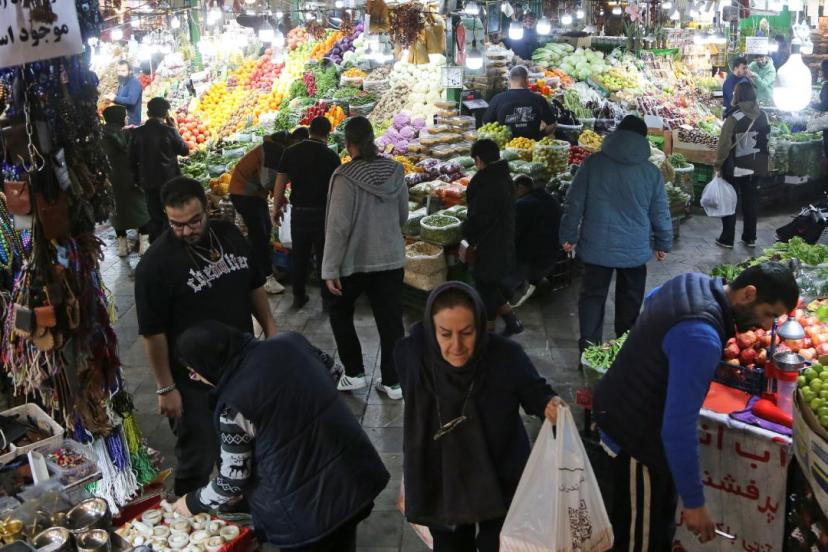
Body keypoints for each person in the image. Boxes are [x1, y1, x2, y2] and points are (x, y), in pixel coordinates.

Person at [593, 262, 798, 549]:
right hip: (636, 439)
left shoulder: (691, 281)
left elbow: (652, 300)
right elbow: (677, 429)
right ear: (749, 293)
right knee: (640, 540)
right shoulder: (702, 337)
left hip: (616, 403)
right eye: (769, 314)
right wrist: (694, 502)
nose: (766, 326)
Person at [172, 321, 389, 552]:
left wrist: (191, 502)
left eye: (194, 372)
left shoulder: (233, 407)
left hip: (305, 512)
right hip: (352, 478)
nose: (197, 378)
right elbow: (333, 372)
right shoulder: (292, 342)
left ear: (207, 364)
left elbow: (233, 479)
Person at [135, 177, 277, 497]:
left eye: (194, 221)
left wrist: (270, 329)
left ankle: (242, 510)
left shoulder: (228, 235)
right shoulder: (154, 266)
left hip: (240, 368)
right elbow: (153, 334)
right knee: (198, 455)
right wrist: (165, 387)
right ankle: (189, 513)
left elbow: (254, 284)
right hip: (192, 383)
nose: (186, 231)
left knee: (246, 448)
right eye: (176, 224)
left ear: (206, 209)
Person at [395, 282, 563, 551]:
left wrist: (549, 404)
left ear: (481, 327)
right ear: (431, 330)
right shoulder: (412, 356)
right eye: (445, 334)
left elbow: (536, 392)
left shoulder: (506, 356)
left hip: (500, 475)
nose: (456, 345)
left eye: (467, 333)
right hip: (443, 477)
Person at [560, 115, 672, 352]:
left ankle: (588, 352)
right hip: (634, 248)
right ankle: (624, 352)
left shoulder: (593, 164)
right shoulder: (651, 172)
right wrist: (663, 242)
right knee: (630, 301)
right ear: (643, 139)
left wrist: (568, 235)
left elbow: (574, 202)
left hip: (596, 246)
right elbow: (660, 211)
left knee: (592, 298)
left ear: (618, 133)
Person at [322, 117, 408, 400]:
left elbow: (337, 228)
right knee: (391, 320)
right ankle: (394, 382)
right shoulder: (396, 171)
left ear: (349, 144)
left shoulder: (344, 177)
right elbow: (403, 216)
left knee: (339, 309)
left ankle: (354, 373)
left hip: (355, 262)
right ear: (372, 139)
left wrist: (329, 268)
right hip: (390, 259)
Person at [274, 117, 342, 310]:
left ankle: (298, 296)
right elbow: (338, 189)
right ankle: (327, 299)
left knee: (299, 255)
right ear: (328, 133)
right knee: (323, 256)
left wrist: (276, 208)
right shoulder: (331, 156)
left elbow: (280, 181)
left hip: (299, 213)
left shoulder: (290, 152)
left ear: (309, 130)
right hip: (323, 214)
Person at [463, 139, 522, 336]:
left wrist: (467, 233)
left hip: (488, 245)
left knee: (485, 287)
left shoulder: (483, 181)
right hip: (504, 239)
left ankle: (488, 336)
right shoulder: (505, 175)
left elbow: (479, 218)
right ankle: (512, 321)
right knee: (491, 285)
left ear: (479, 159)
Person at [229, 131, 291, 295]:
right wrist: (280, 191)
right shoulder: (272, 151)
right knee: (259, 234)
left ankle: (255, 269)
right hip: (244, 194)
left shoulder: (270, 148)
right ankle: (266, 278)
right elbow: (267, 180)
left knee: (263, 232)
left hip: (253, 195)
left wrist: (279, 195)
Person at [713, 82, 770, 249]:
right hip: (757, 165)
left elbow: (724, 145)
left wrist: (718, 164)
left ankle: (727, 238)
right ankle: (750, 237)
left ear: (737, 96)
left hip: (735, 166)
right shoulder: (763, 115)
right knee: (751, 201)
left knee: (729, 200)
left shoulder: (734, 117)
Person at [130, 97, 189, 242]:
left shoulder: (137, 133)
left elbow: (131, 160)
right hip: (170, 181)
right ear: (165, 113)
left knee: (155, 216)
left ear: (148, 113)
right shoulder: (169, 131)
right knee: (173, 213)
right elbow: (184, 150)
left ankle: (159, 244)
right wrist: (174, 129)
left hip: (148, 182)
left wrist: (137, 179)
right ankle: (174, 241)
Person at [100, 105, 151, 257]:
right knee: (140, 208)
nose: (126, 118)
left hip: (110, 180)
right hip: (130, 177)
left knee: (117, 211)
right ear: (119, 118)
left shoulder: (100, 137)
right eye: (124, 116)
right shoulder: (127, 135)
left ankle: (122, 246)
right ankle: (144, 245)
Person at [508, 175, 563, 307]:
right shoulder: (550, 199)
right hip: (553, 256)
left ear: (521, 188)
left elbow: (513, 236)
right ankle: (535, 281)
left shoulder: (523, 205)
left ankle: (523, 284)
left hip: (534, 262)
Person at [482, 66, 556, 140]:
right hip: (532, 145)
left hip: (506, 146)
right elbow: (552, 125)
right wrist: (541, 135)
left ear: (509, 80)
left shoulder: (497, 99)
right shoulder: (539, 99)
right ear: (527, 80)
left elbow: (485, 124)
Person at [106, 60, 143, 126]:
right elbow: (121, 100)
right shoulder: (122, 83)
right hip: (122, 121)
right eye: (118, 71)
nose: (120, 73)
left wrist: (115, 98)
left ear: (130, 71)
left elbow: (131, 101)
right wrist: (112, 100)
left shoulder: (134, 83)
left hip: (132, 124)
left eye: (123, 71)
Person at [811, 60, 828, 167]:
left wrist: (812, 104)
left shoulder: (827, 86)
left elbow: (825, 105)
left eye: (821, 69)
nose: (819, 72)